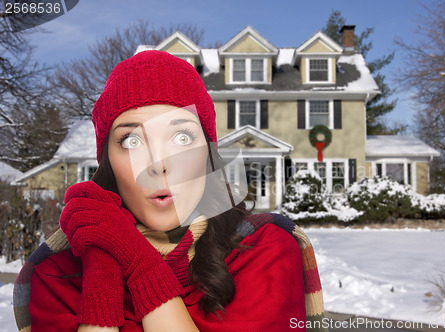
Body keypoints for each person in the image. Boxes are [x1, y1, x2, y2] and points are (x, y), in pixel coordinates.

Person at [13, 50, 326, 332]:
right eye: (132, 141)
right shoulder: (57, 273)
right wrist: (102, 272)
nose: (159, 164)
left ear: (208, 154)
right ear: (108, 162)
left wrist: (137, 262)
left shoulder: (265, 249)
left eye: (182, 138)